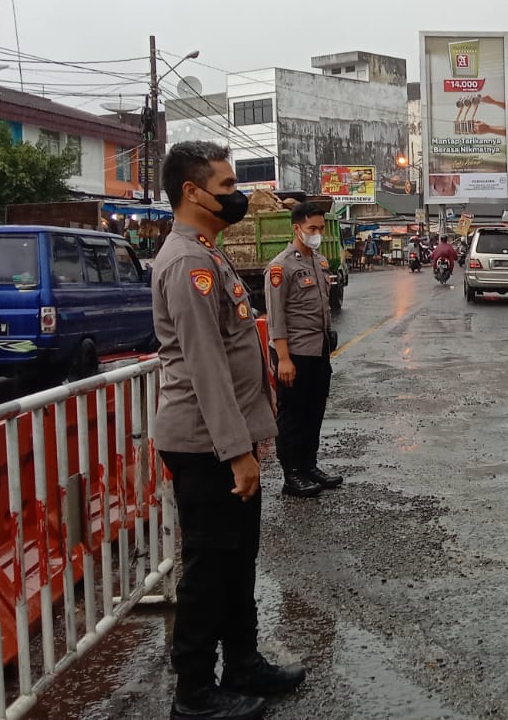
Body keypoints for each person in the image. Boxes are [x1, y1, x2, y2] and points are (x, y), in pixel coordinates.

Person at [152, 142, 304, 720]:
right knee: (210, 569)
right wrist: (238, 451)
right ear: (192, 192)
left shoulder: (207, 254)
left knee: (239, 560)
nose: (236, 196)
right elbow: (205, 366)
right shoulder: (186, 264)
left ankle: (242, 662)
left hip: (227, 439)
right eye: (227, 186)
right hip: (206, 444)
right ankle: (193, 692)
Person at [265, 201, 342, 498]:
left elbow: (324, 307)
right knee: (292, 414)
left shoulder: (319, 262)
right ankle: (292, 473)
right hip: (294, 353)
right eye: (312, 228)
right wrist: (283, 358)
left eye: (320, 228)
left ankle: (309, 465)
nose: (317, 233)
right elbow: (276, 318)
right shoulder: (280, 267)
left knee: (314, 410)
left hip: (318, 350)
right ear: (297, 228)